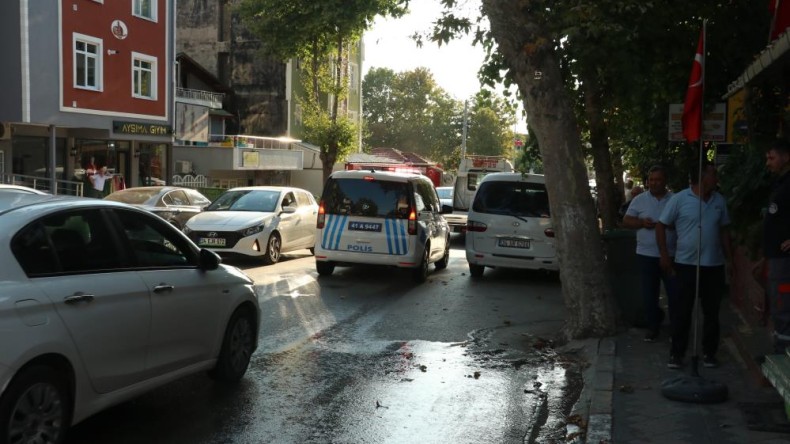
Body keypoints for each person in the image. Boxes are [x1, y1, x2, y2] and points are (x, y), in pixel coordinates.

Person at [656, 161, 732, 369]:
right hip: (686, 264)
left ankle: (709, 353)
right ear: (702, 177)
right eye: (713, 174)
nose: (716, 178)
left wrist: (729, 259)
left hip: (713, 265)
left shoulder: (719, 201)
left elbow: (724, 230)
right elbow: (661, 226)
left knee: (712, 312)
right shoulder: (680, 199)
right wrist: (664, 255)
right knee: (681, 311)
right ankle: (677, 353)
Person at [622, 165, 677, 342]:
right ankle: (653, 328)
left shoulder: (675, 199)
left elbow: (684, 223)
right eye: (651, 180)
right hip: (646, 255)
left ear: (665, 181)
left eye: (658, 179)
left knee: (675, 293)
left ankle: (676, 329)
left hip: (672, 254)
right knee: (649, 294)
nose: (654, 183)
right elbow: (626, 221)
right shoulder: (640, 200)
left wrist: (672, 225)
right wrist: (640, 222)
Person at [764, 139, 790, 353]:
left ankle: (784, 350)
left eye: (771, 158)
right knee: (778, 300)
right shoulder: (779, 183)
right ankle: (781, 345)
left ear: (786, 157)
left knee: (783, 299)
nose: (768, 163)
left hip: (784, 260)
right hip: (775, 257)